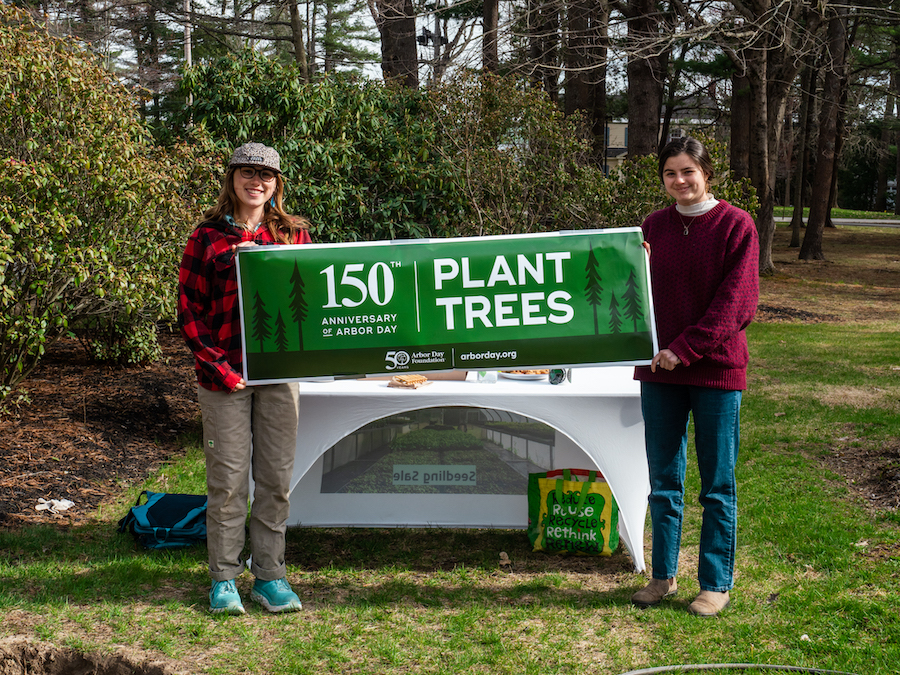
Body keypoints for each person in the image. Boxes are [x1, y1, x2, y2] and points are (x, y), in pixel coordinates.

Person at [178, 142, 312, 615]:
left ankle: (270, 575)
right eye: (248, 173)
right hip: (224, 378)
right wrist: (220, 367)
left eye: (267, 176)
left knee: (275, 479)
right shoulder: (207, 237)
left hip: (279, 377)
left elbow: (313, 301)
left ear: (277, 184)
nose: (257, 182)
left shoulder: (295, 234)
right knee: (228, 480)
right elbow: (189, 311)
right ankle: (224, 579)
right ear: (232, 178)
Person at [631, 136, 759, 618]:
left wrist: (682, 351)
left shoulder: (736, 225)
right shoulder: (652, 227)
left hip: (715, 371)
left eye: (688, 171)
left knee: (716, 484)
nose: (680, 181)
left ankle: (715, 583)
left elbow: (737, 305)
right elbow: (632, 292)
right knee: (663, 480)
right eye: (670, 173)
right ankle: (662, 575)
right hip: (657, 373)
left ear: (706, 173)